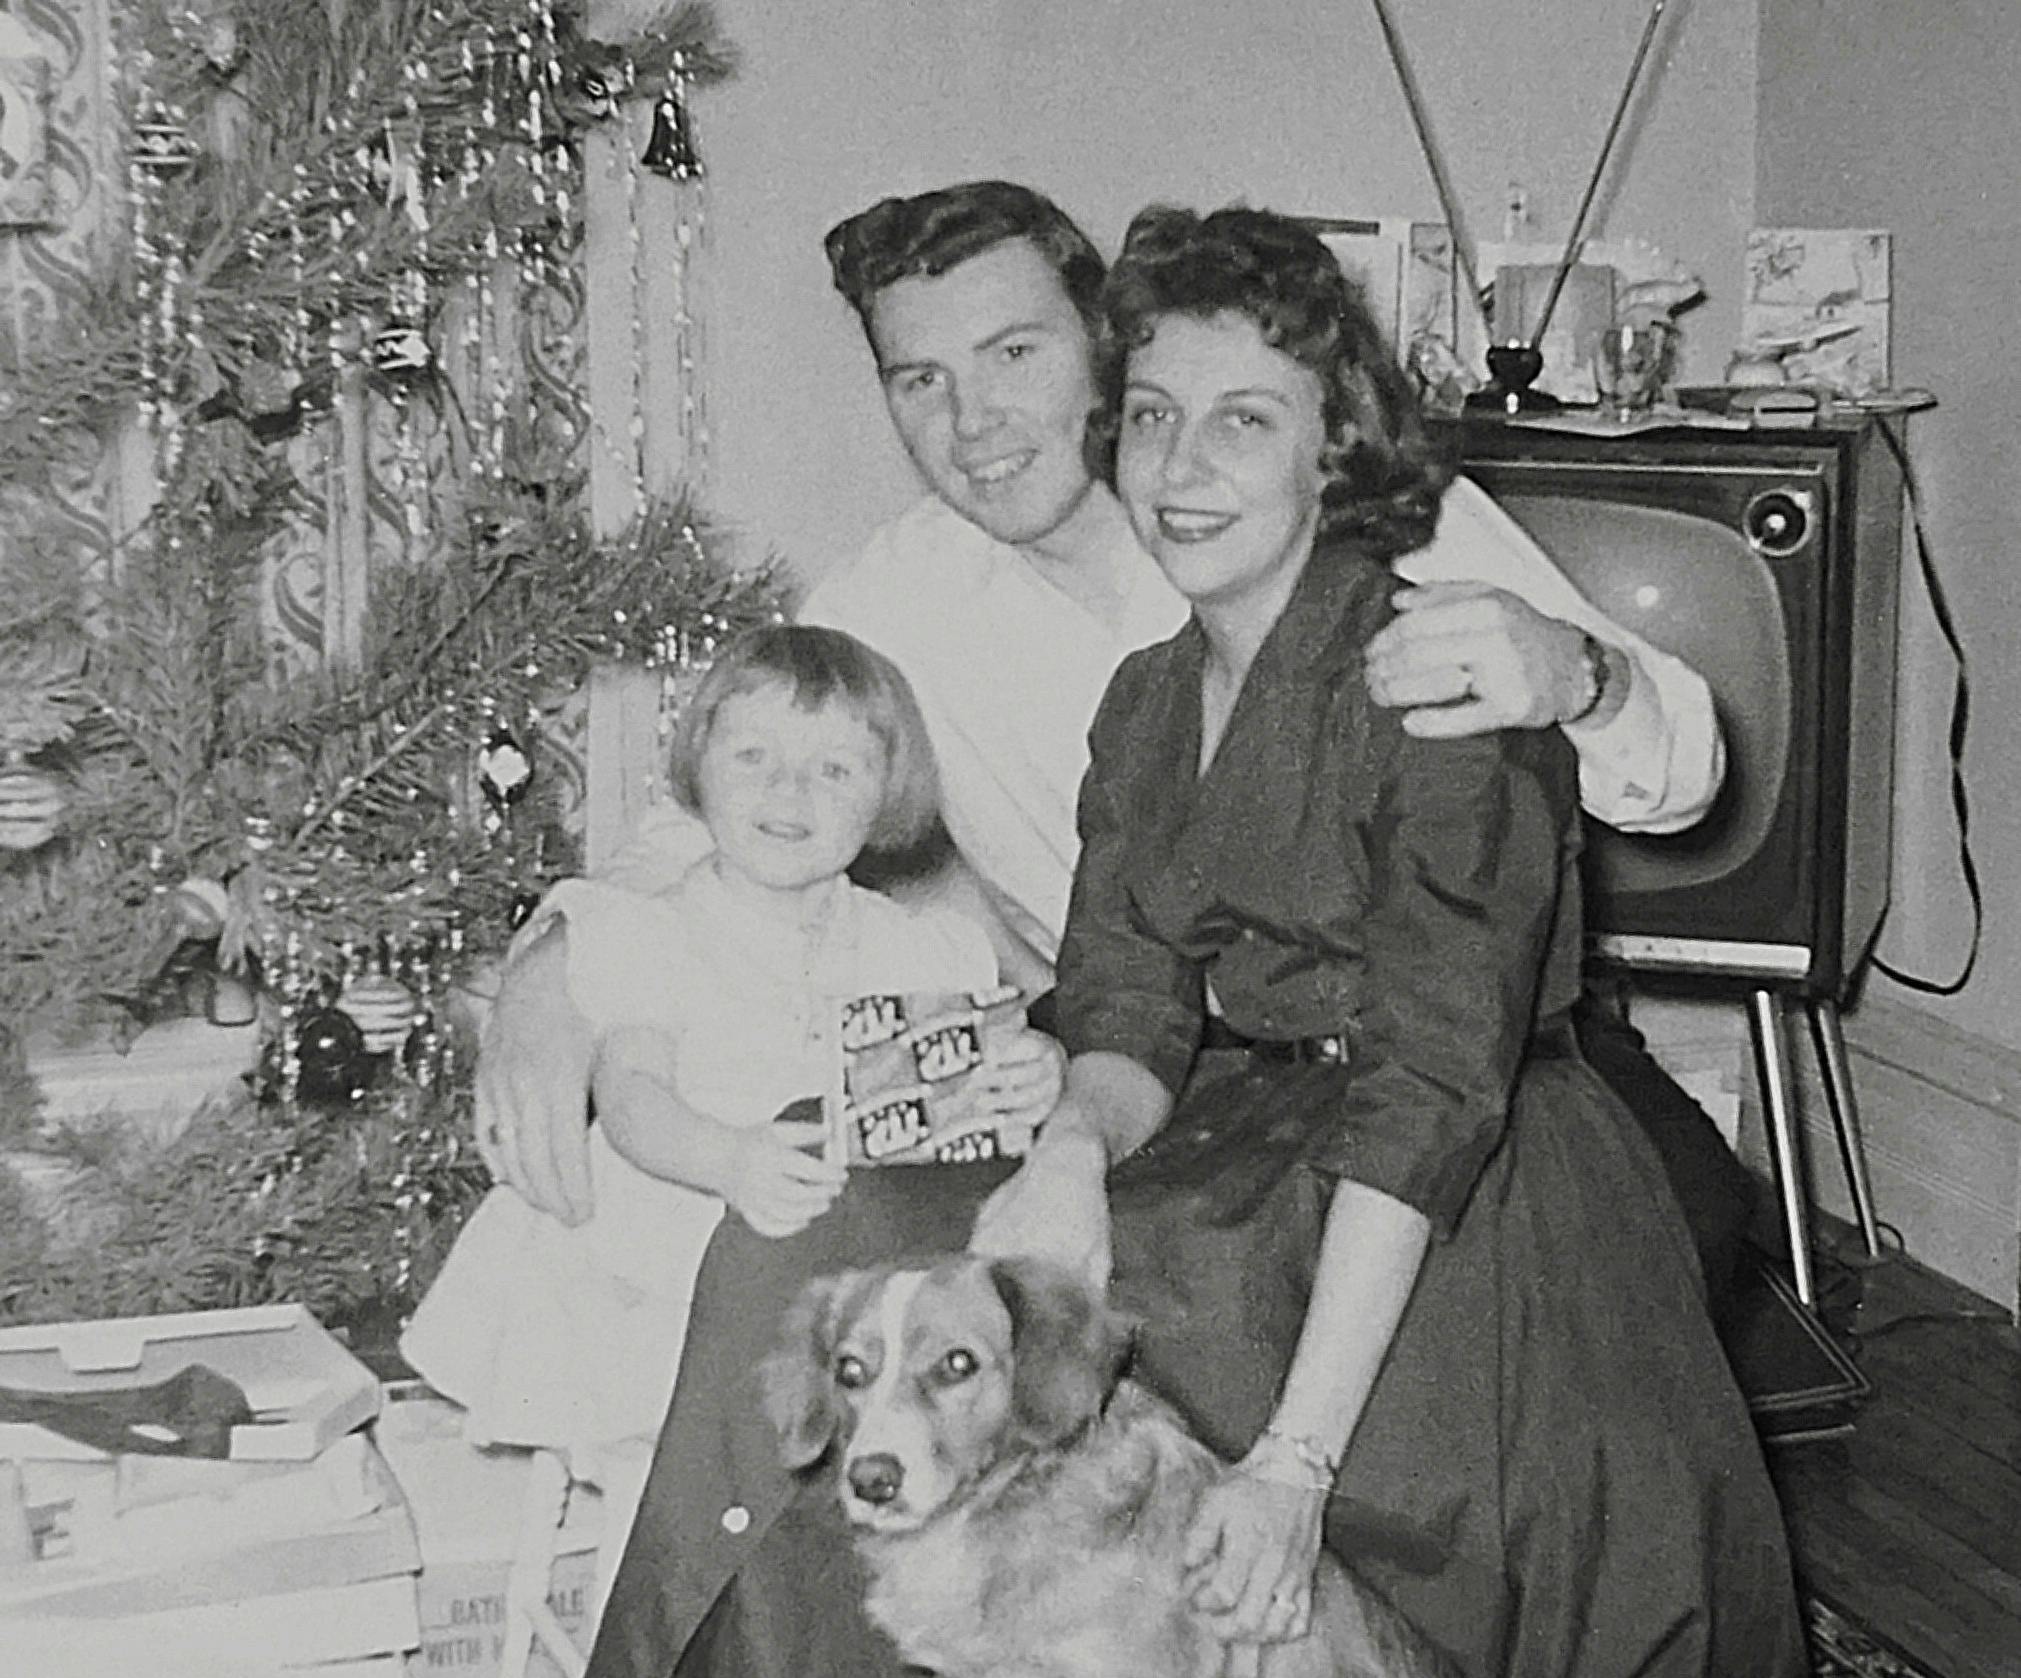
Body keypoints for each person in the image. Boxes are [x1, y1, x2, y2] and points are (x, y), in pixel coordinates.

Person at [565, 203, 1857, 1678]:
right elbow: (1120, 995)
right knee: (914, 1262)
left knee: (1137, 1330)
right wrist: (1074, 1150)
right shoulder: (1134, 689)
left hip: (1454, 1159)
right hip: (1231, 1106)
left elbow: (1439, 1067)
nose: (1176, 459)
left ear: (1337, 444)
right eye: (1156, 418)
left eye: (1240, 419)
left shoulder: (1435, 646)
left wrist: (1294, 1465)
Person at [474, 182, 1751, 1313]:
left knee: (1660, 1257)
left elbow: (1683, 767)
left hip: (1454, 1065)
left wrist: (1576, 675)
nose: (972, 421)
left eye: (1012, 351)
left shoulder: (1349, 504)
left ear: (1101, 346)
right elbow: (705, 814)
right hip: (1128, 1076)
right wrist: (555, 967)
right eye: (919, 380)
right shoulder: (896, 594)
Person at [402, 624, 1056, 1482]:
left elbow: (960, 1076)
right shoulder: (657, 932)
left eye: (835, 770)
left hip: (847, 1285)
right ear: (698, 767)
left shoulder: (915, 946)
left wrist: (1027, 1072)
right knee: (681, 1462)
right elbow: (631, 1094)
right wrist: (728, 1159)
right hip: (672, 1259)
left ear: (884, 794)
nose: (790, 791)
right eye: (753, 755)